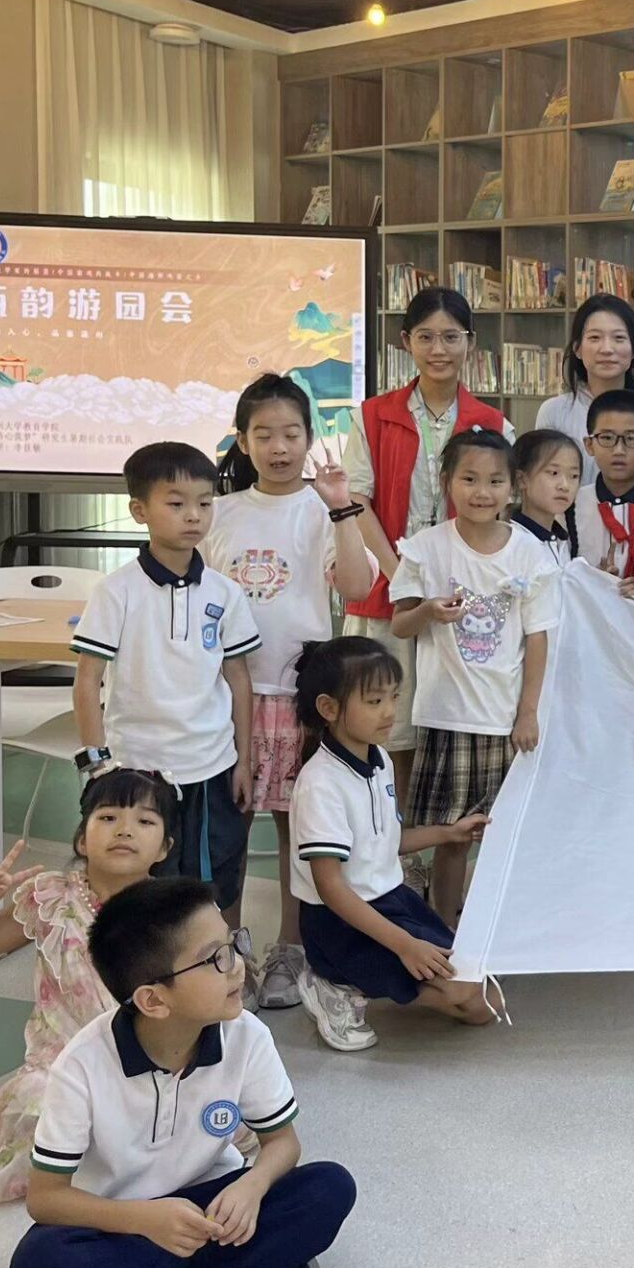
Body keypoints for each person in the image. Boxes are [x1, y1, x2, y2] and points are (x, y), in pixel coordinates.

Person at [8, 878, 356, 1268]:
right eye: (215, 958)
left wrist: (252, 1186)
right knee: (38, 1262)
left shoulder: (246, 1036)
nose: (237, 965)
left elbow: (283, 1144)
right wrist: (146, 1221)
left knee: (330, 1187)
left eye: (233, 944)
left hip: (213, 1203)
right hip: (123, 1219)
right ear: (153, 1000)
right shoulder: (81, 1065)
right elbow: (46, 1198)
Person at [206, 374, 377, 1008]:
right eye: (264, 435)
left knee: (298, 832)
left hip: (300, 697)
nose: (279, 447)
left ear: (310, 437)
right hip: (226, 697)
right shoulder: (219, 512)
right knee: (225, 831)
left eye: (291, 434)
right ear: (242, 440)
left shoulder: (325, 509)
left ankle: (290, 949)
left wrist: (341, 510)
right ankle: (224, 953)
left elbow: (356, 587)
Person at [0, 771, 176, 1210]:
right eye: (108, 817)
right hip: (63, 1062)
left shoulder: (171, 911)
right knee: (41, 1102)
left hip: (147, 1058)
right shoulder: (52, 898)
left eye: (145, 821)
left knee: (169, 1105)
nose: (125, 829)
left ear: (165, 848)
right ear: (81, 840)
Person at [72, 443, 262, 924]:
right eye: (176, 504)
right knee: (135, 883)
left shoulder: (225, 592)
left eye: (204, 502)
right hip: (136, 766)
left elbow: (238, 678)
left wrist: (245, 759)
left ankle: (220, 957)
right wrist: (97, 765)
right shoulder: (115, 591)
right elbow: (88, 680)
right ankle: (136, 963)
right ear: (140, 511)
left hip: (211, 765)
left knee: (214, 875)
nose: (193, 515)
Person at [289, 637, 502, 1052]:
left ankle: (374, 979)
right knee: (466, 994)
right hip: (341, 923)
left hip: (393, 901)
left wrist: (447, 832)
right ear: (329, 708)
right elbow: (331, 888)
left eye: (394, 697)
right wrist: (405, 946)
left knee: (485, 1005)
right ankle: (333, 984)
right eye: (374, 701)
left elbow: (384, 842)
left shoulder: (380, 760)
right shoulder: (320, 785)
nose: (389, 711)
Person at [390, 429, 559, 927]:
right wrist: (428, 610)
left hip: (506, 720)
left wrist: (528, 712)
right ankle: (446, 931)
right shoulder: (427, 547)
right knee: (452, 837)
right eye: (469, 479)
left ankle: (495, 929)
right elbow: (400, 624)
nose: (482, 492)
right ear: (447, 482)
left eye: (494, 481)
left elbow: (538, 639)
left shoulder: (529, 552)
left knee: (507, 835)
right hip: (446, 716)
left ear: (514, 486)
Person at [340, 286, 513, 772]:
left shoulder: (491, 423)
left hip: (460, 597)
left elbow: (496, 508)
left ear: (470, 343)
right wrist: (400, 576)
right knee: (381, 724)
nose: (439, 349)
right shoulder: (373, 416)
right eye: (426, 337)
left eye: (451, 337)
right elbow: (357, 499)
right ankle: (388, 821)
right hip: (386, 590)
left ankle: (426, 821)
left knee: (446, 727)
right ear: (406, 342)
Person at [533, 293, 634, 486]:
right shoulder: (554, 412)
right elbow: (544, 485)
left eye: (619, 338)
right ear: (577, 348)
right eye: (595, 337)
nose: (607, 349)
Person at [574, 389, 634, 588]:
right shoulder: (571, 507)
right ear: (589, 445)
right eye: (607, 438)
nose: (618, 450)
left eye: (631, 438)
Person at [511, 427, 583, 565]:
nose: (564, 486)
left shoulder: (561, 540)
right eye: (553, 473)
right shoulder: (510, 543)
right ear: (521, 479)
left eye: (574, 476)